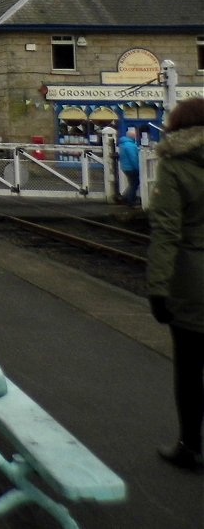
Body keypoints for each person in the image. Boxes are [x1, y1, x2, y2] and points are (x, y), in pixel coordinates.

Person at [145, 97, 204, 472]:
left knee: (189, 368)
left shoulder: (176, 165)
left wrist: (157, 287)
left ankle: (190, 446)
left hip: (192, 281)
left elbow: (166, 232)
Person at [118, 127, 142, 206]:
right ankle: (130, 201)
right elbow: (133, 158)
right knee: (134, 184)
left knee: (132, 184)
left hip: (125, 167)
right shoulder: (130, 145)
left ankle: (125, 198)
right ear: (133, 137)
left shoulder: (123, 144)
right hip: (131, 168)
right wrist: (138, 168)